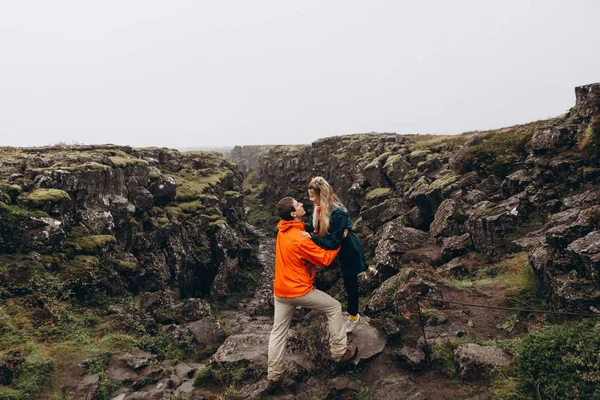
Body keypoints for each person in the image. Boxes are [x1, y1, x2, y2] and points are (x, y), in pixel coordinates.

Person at [267, 196, 357, 390]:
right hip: (298, 290)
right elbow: (324, 259)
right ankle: (340, 353)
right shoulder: (299, 239)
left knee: (278, 332)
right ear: (293, 213)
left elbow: (304, 229)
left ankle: (274, 377)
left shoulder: (284, 229)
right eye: (297, 204)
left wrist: (314, 226)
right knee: (334, 307)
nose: (301, 204)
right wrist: (338, 241)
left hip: (280, 291)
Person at [301, 176, 378, 333]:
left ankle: (353, 317)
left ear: (320, 195)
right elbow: (311, 225)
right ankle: (368, 270)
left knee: (350, 284)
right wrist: (297, 227)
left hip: (348, 248)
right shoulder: (319, 209)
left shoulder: (338, 213)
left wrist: (313, 237)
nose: (310, 199)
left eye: (312, 195)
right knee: (360, 266)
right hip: (343, 246)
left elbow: (333, 242)